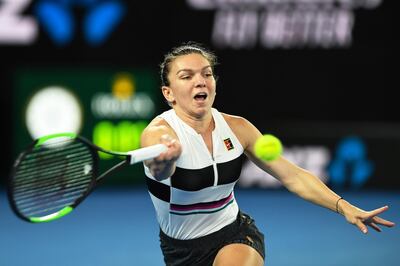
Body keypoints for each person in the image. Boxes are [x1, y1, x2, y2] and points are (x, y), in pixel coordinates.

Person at [140, 42, 395, 266]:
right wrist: (166, 160)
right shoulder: (158, 134)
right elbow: (160, 170)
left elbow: (292, 176)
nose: (200, 81)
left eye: (207, 74)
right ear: (168, 93)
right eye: (186, 76)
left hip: (234, 235)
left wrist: (344, 207)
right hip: (179, 251)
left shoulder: (238, 128)